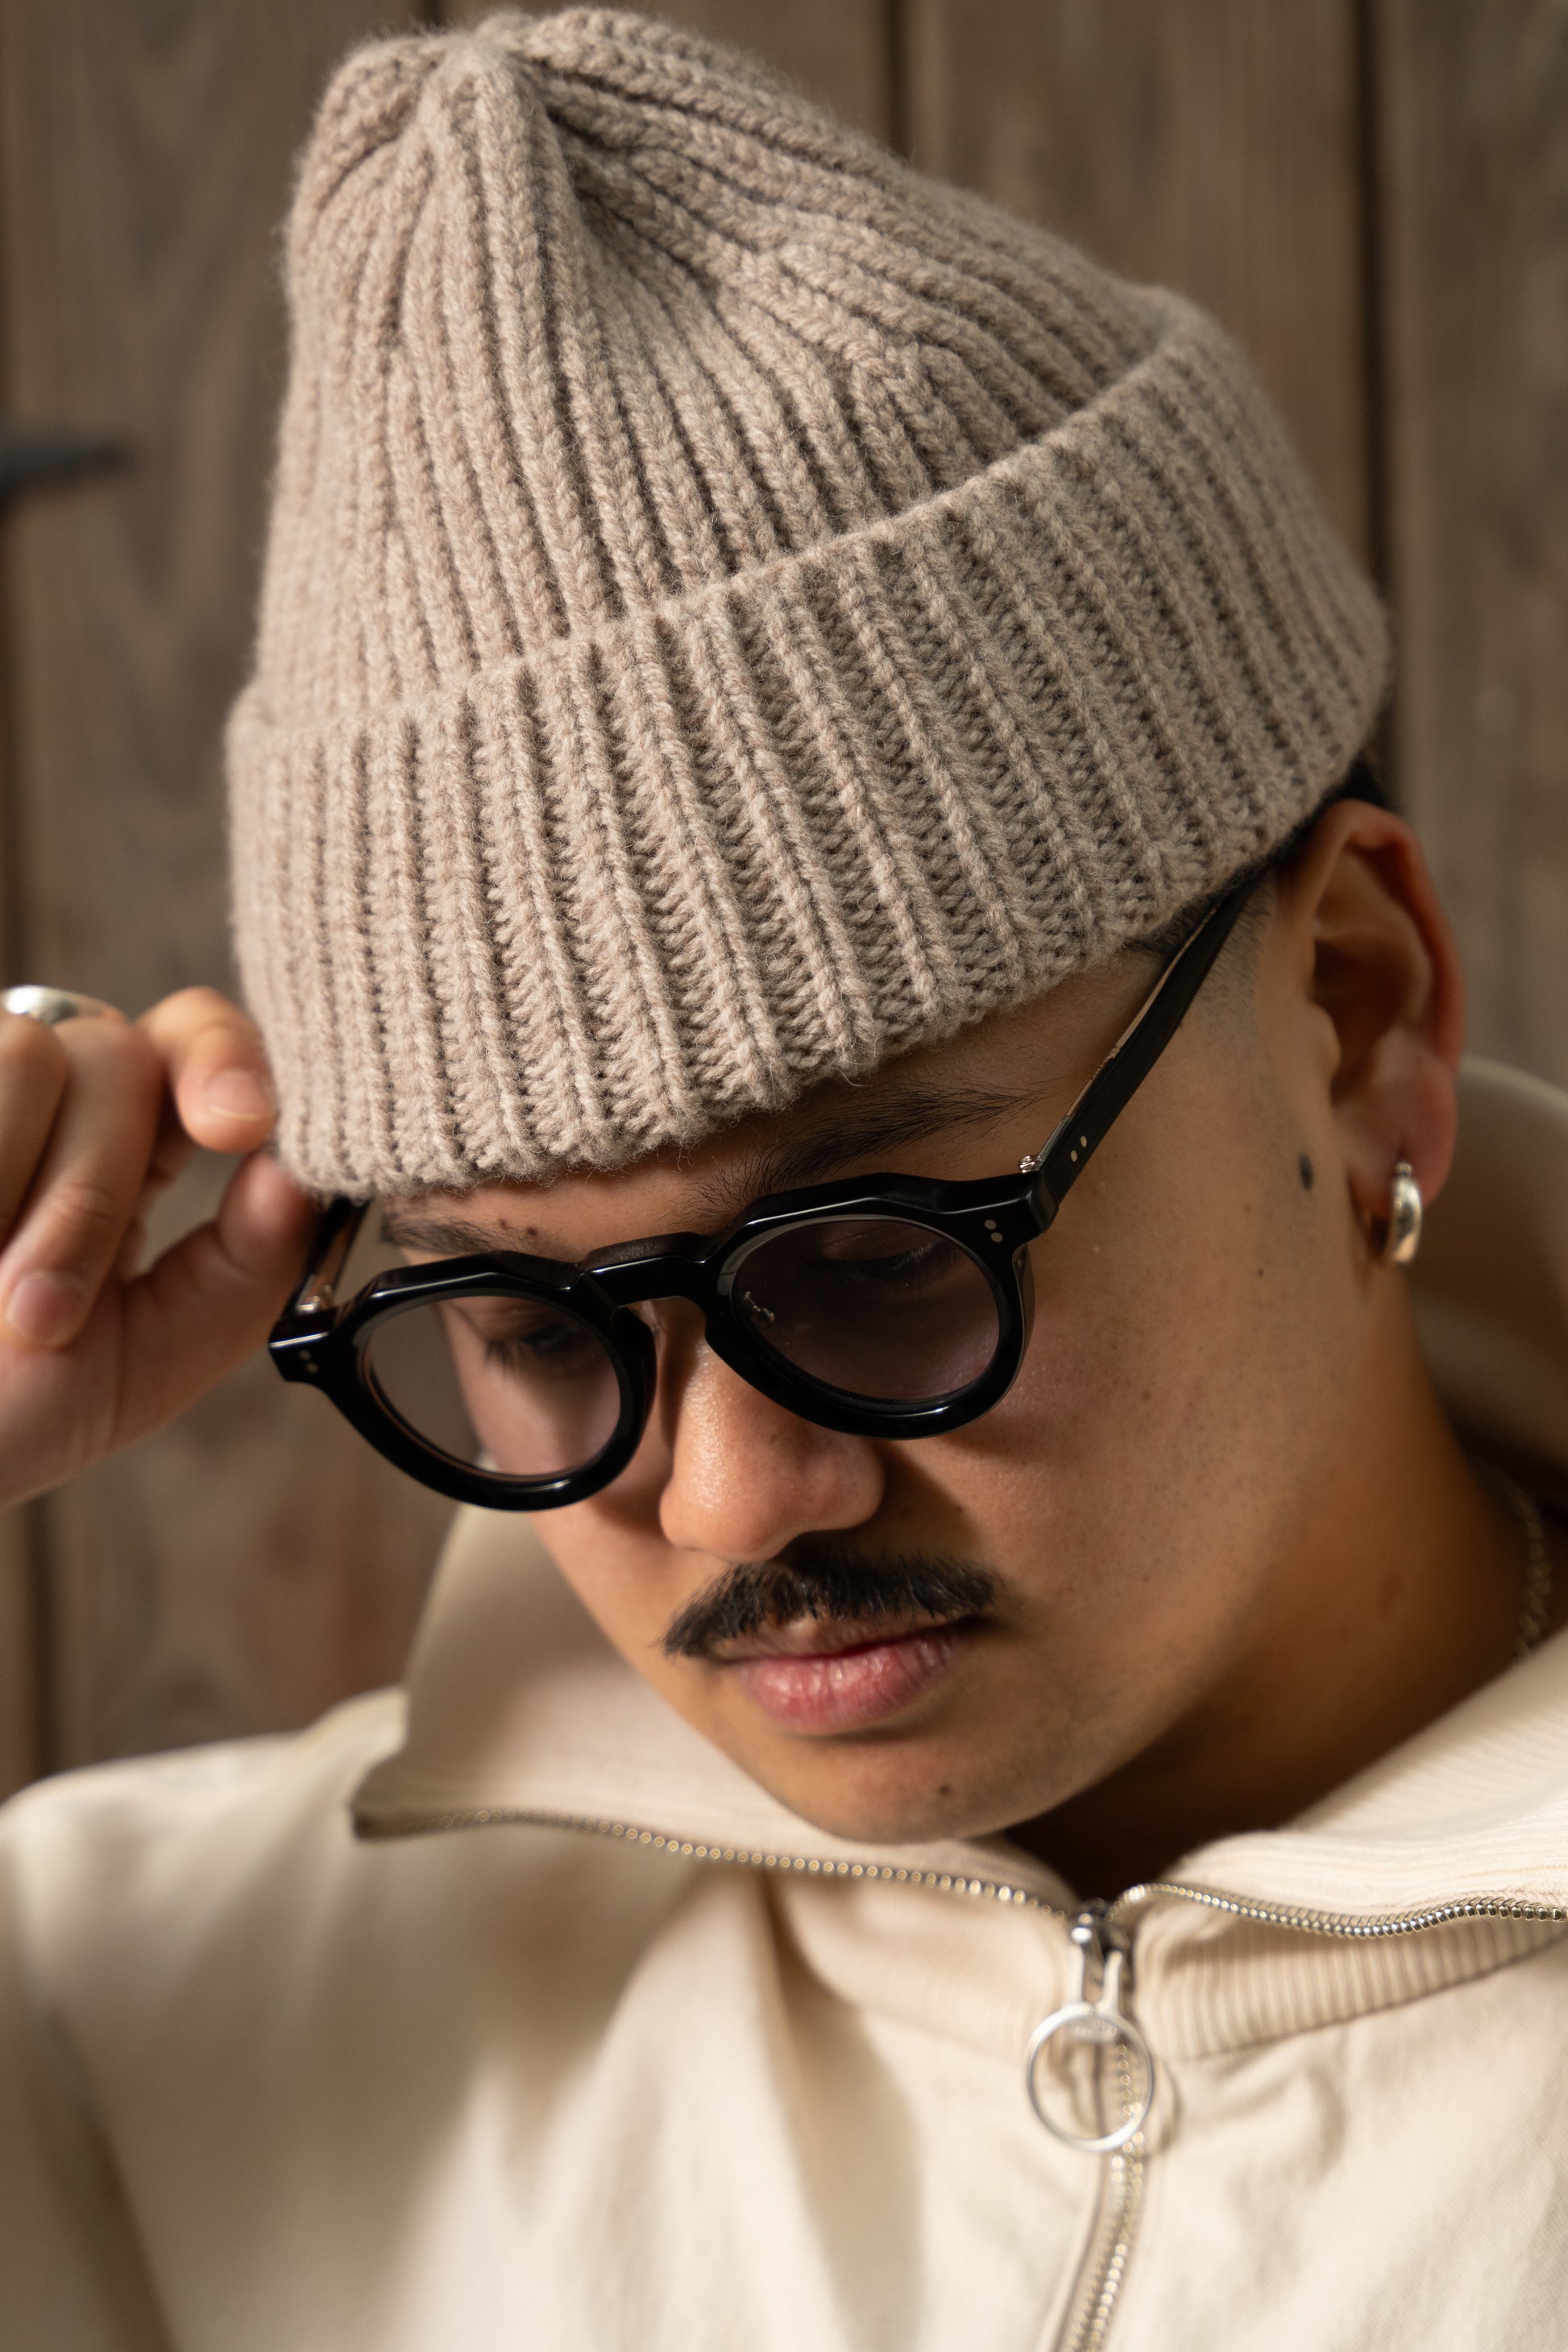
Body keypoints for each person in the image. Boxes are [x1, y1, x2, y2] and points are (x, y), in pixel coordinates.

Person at [2, 12, 1565, 2348]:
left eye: (872, 1259)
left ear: (1350, 1013)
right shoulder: (117, 2035)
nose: (737, 1504)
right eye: (527, 1325)